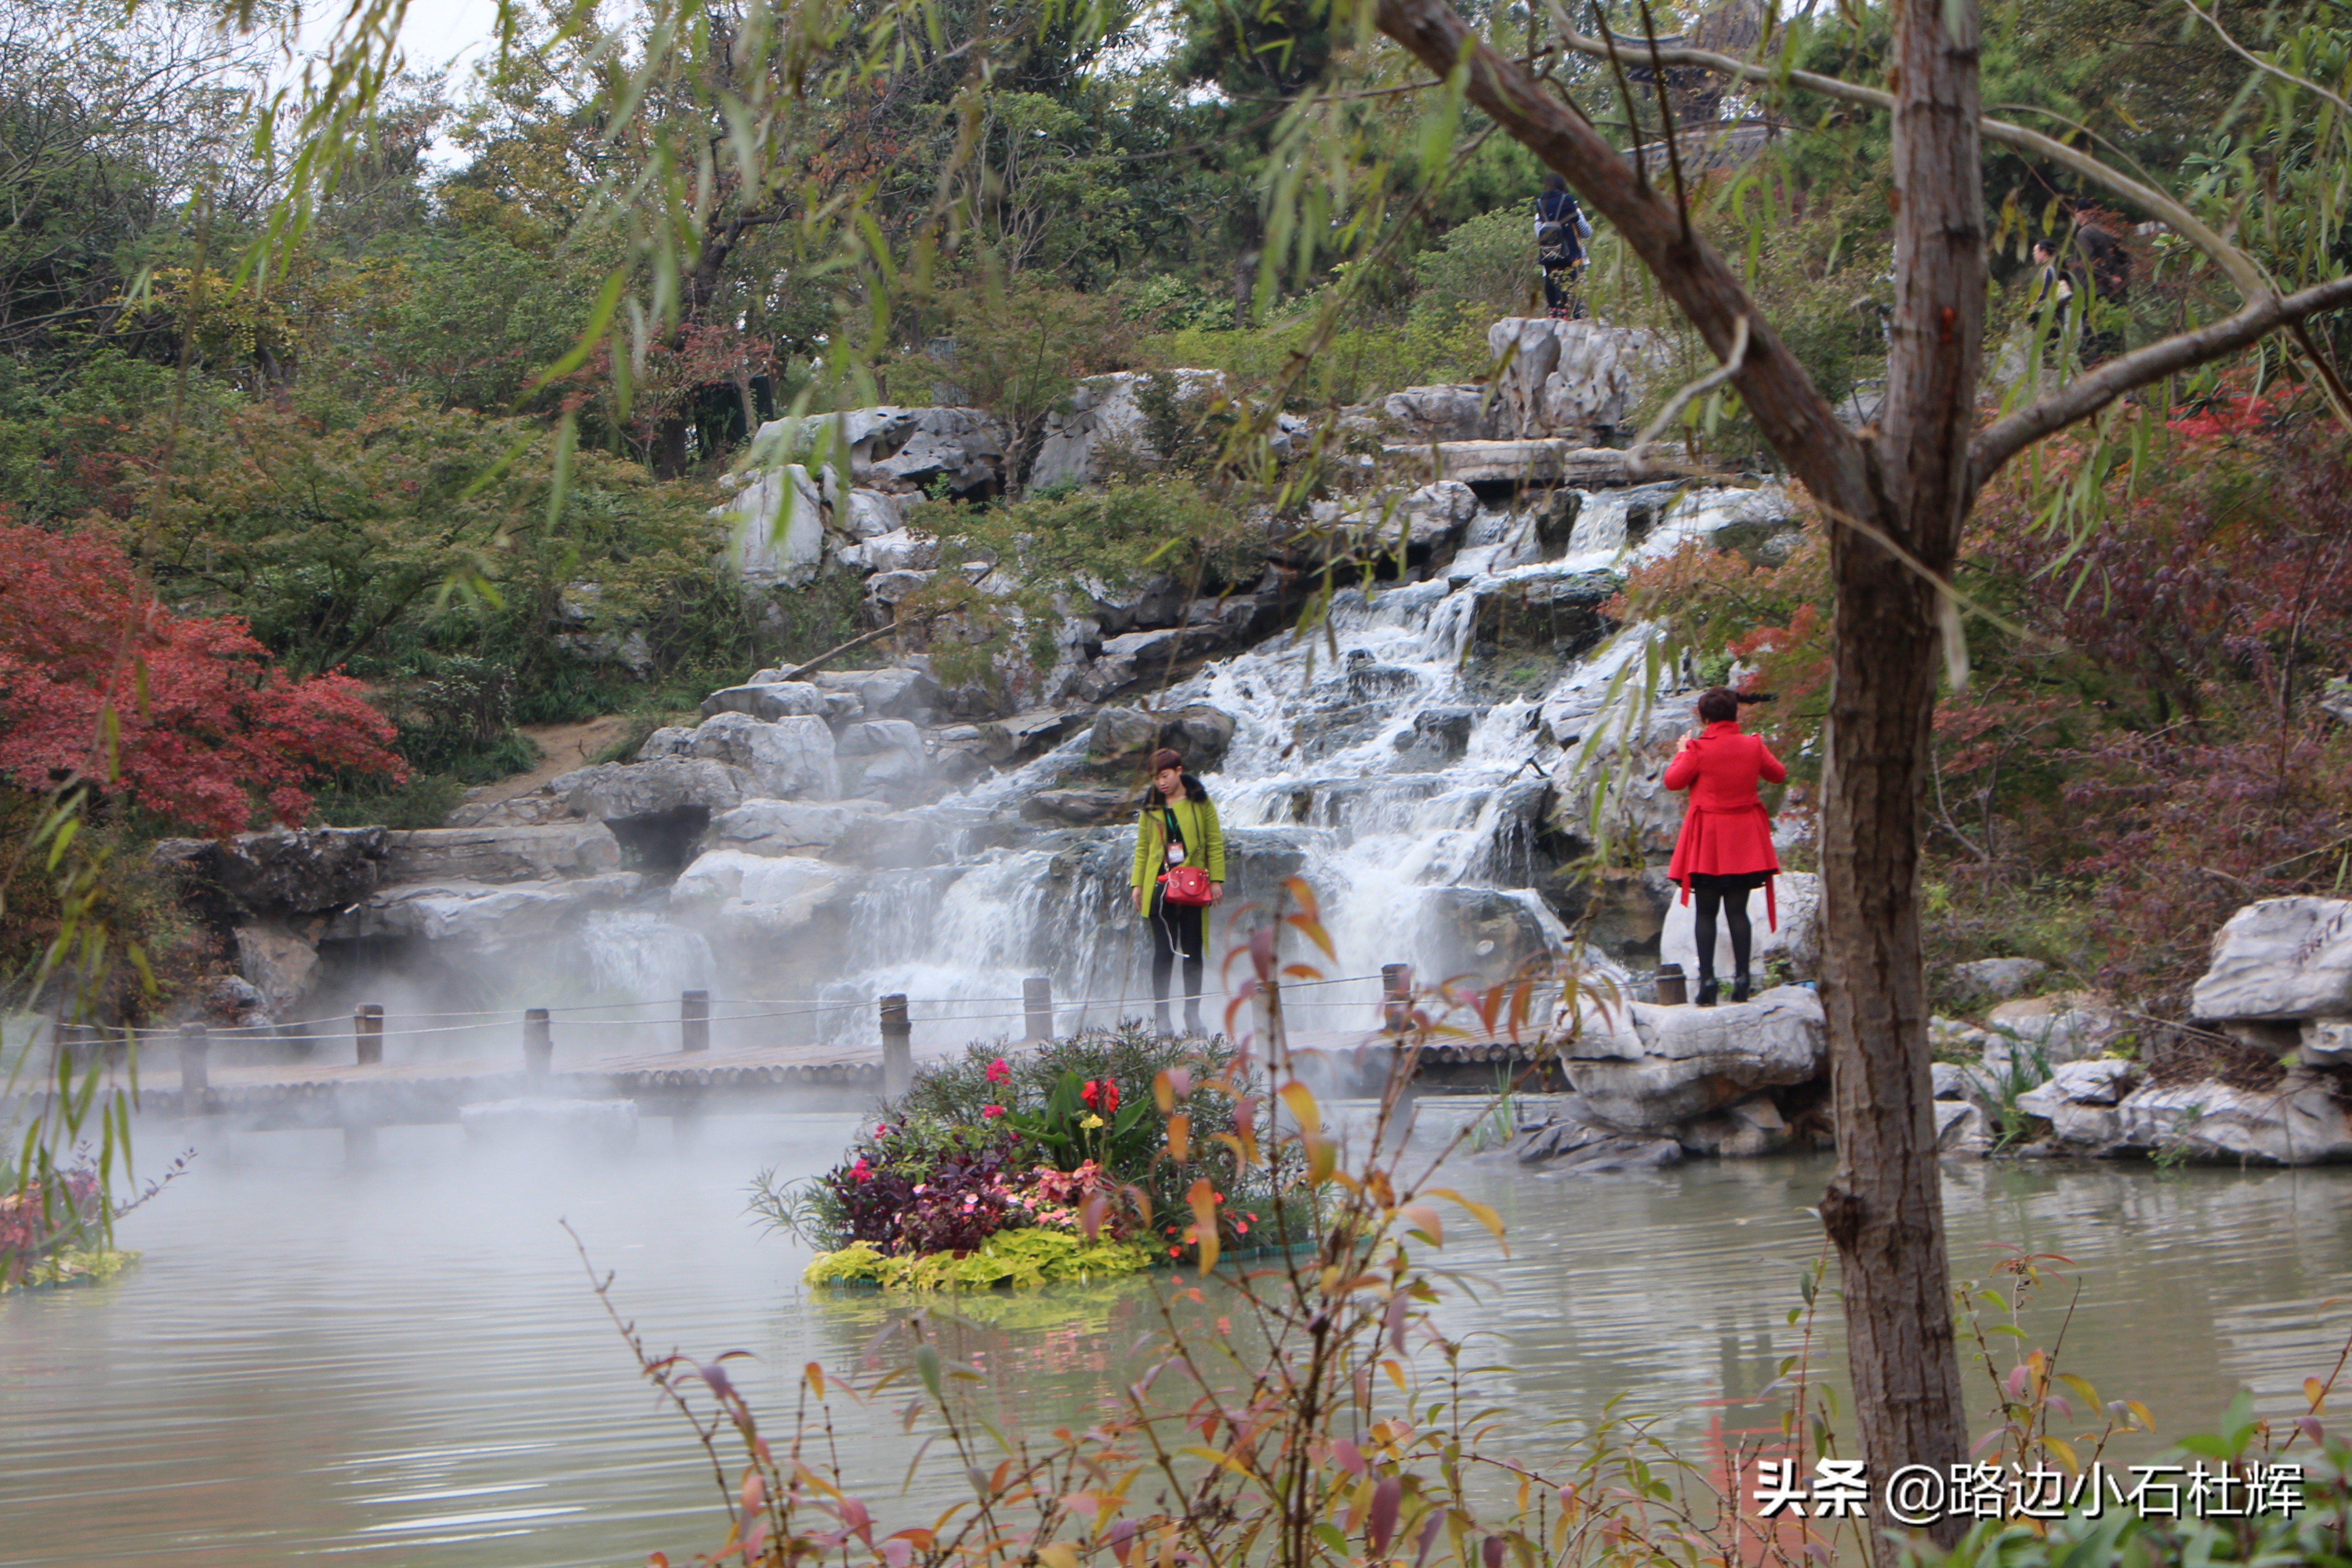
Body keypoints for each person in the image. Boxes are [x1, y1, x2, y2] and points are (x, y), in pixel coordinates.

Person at [1661, 687, 1786, 1006]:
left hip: (1708, 842)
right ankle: (1743, 980)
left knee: (1705, 912)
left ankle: (1708, 983)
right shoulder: (1753, 745)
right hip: (1744, 841)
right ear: (1735, 714)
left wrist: (1681, 751)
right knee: (1737, 911)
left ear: (1704, 717)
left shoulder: (1698, 749)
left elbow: (1673, 781)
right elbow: (1778, 775)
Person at [1130, 748, 1226, 1036]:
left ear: (1179, 771)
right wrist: (1137, 884)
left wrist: (1217, 880)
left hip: (1194, 886)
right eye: (1156, 778)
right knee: (1163, 952)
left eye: (1165, 775)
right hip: (1159, 887)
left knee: (1192, 951)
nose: (1161, 783)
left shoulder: (1200, 801)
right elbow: (1143, 848)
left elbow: (1214, 841)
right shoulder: (1151, 807)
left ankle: (1192, 1015)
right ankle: (1162, 1018)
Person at [1534, 172, 1590, 319]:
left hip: (1549, 255)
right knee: (1573, 283)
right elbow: (1585, 231)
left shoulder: (1540, 204)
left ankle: (1556, 310)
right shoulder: (1568, 200)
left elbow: (1539, 233)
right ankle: (1572, 311)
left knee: (1553, 282)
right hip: (1570, 253)